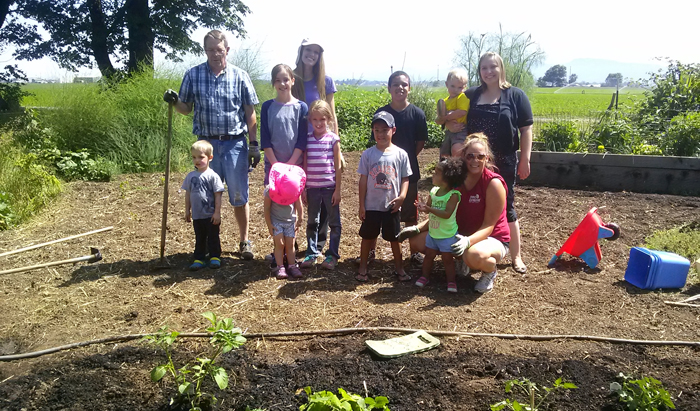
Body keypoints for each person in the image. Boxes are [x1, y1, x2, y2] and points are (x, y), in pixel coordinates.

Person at [163, 29, 259, 260]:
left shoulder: (240, 75)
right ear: (204, 51)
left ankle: (244, 241)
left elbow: (250, 112)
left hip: (235, 144)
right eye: (210, 50)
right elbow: (186, 108)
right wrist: (175, 102)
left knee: (238, 195)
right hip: (206, 146)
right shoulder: (193, 75)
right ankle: (207, 244)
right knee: (205, 195)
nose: (216, 54)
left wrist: (254, 144)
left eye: (219, 49)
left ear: (227, 50)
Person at [446, 52, 533, 274]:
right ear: (479, 71)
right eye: (484, 68)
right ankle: (469, 248)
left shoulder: (515, 95)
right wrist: (452, 126)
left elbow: (526, 130)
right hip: (473, 161)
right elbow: (456, 114)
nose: (489, 72)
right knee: (469, 202)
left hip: (503, 160)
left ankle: (516, 256)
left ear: (501, 68)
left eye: (493, 67)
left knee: (508, 206)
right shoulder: (472, 95)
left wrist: (525, 158)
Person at [404, 133, 510, 293]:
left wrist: (467, 242)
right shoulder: (455, 181)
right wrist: (417, 228)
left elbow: (489, 225)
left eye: (480, 157)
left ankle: (489, 271)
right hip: (459, 234)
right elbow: (444, 214)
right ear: (463, 157)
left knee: (475, 255)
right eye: (470, 156)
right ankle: (462, 258)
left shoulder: (493, 183)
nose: (475, 161)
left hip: (491, 237)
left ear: (487, 158)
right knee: (417, 242)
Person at [361, 71, 427, 266]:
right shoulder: (381, 113)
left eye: (404, 84)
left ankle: (414, 252)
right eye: (396, 84)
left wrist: (402, 162)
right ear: (389, 88)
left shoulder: (417, 114)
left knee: (409, 214)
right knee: (374, 214)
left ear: (409, 88)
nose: (400, 88)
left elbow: (420, 143)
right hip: (381, 172)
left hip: (408, 172)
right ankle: (370, 252)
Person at [290, 38, 346, 264]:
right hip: (297, 142)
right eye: (308, 50)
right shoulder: (293, 78)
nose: (311, 54)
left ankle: (318, 248)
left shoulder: (326, 80)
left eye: (316, 51)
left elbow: (332, 114)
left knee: (323, 204)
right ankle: (289, 245)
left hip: (321, 143)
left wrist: (338, 149)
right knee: (295, 194)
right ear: (301, 50)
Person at [356, 111, 412, 283]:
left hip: (391, 206)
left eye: (384, 130)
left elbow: (405, 178)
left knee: (395, 238)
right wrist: (361, 205)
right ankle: (363, 267)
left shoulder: (400, 154)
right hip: (372, 205)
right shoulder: (368, 154)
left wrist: (402, 196)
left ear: (393, 130)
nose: (380, 134)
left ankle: (399, 268)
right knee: (368, 237)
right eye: (376, 130)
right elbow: (363, 180)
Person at [299, 100, 343, 270]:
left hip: (329, 187)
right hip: (312, 188)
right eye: (315, 119)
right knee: (312, 221)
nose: (319, 123)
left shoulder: (333, 139)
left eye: (322, 119)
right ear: (310, 120)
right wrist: (303, 188)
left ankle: (332, 255)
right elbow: (304, 165)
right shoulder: (307, 140)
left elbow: (338, 167)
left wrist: (337, 190)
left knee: (334, 223)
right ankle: (311, 253)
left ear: (329, 120)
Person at [414, 157, 468, 293]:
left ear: (447, 178)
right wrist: (422, 207)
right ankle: (424, 277)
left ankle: (451, 282)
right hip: (433, 233)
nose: (433, 175)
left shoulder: (454, 195)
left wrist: (428, 209)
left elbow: (447, 214)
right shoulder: (433, 191)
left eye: (437, 173)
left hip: (447, 235)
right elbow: (428, 207)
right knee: (429, 255)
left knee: (447, 259)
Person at [260, 63, 308, 184]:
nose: (282, 84)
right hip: (273, 166)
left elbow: (302, 140)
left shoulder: (301, 107)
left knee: (296, 200)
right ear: (273, 83)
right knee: (272, 198)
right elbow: (265, 140)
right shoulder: (267, 107)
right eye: (277, 80)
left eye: (286, 80)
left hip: (295, 165)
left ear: (292, 81)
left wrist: (289, 164)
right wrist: (276, 165)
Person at [182, 140, 225, 271]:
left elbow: (218, 195)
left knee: (213, 236)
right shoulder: (190, 176)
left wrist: (217, 212)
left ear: (210, 157)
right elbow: (188, 194)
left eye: (201, 157)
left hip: (210, 214)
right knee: (199, 237)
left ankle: (215, 257)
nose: (197, 160)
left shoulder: (213, 176)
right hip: (197, 214)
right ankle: (199, 258)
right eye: (194, 157)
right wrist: (187, 211)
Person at [264, 163, 305, 280]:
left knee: (290, 245)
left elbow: (299, 204)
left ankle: (292, 266)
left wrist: (300, 218)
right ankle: (279, 266)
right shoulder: (269, 191)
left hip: (290, 221)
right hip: (276, 221)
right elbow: (266, 209)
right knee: (280, 244)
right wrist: (269, 224)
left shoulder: (294, 188)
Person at [436, 68, 470, 158]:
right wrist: (441, 119)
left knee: (457, 150)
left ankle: (458, 166)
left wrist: (446, 117)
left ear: (465, 87)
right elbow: (440, 118)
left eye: (460, 87)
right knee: (444, 153)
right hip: (449, 131)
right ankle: (445, 168)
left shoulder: (461, 97)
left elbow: (462, 112)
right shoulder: (445, 101)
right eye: (453, 86)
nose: (456, 90)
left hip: (461, 129)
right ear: (446, 84)